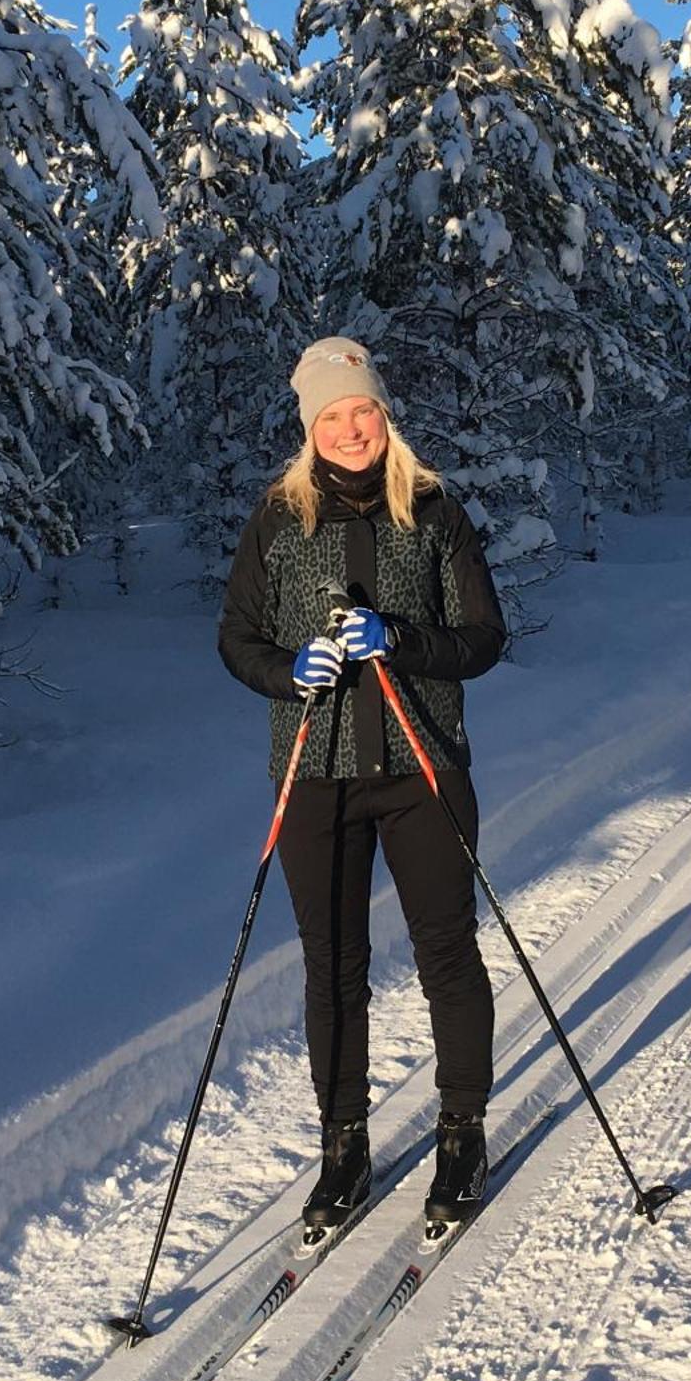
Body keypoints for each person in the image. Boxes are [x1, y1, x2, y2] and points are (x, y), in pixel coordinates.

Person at [219, 337, 509, 1230]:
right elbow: (237, 639)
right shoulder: (277, 518)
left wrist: (405, 642)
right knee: (332, 968)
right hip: (316, 772)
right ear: (311, 428)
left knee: (446, 953)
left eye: (364, 410)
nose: (352, 429)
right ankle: (343, 1146)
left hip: (423, 764)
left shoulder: (431, 509)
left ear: (385, 415)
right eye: (333, 415)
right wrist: (286, 671)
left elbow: (484, 640)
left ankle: (461, 1129)